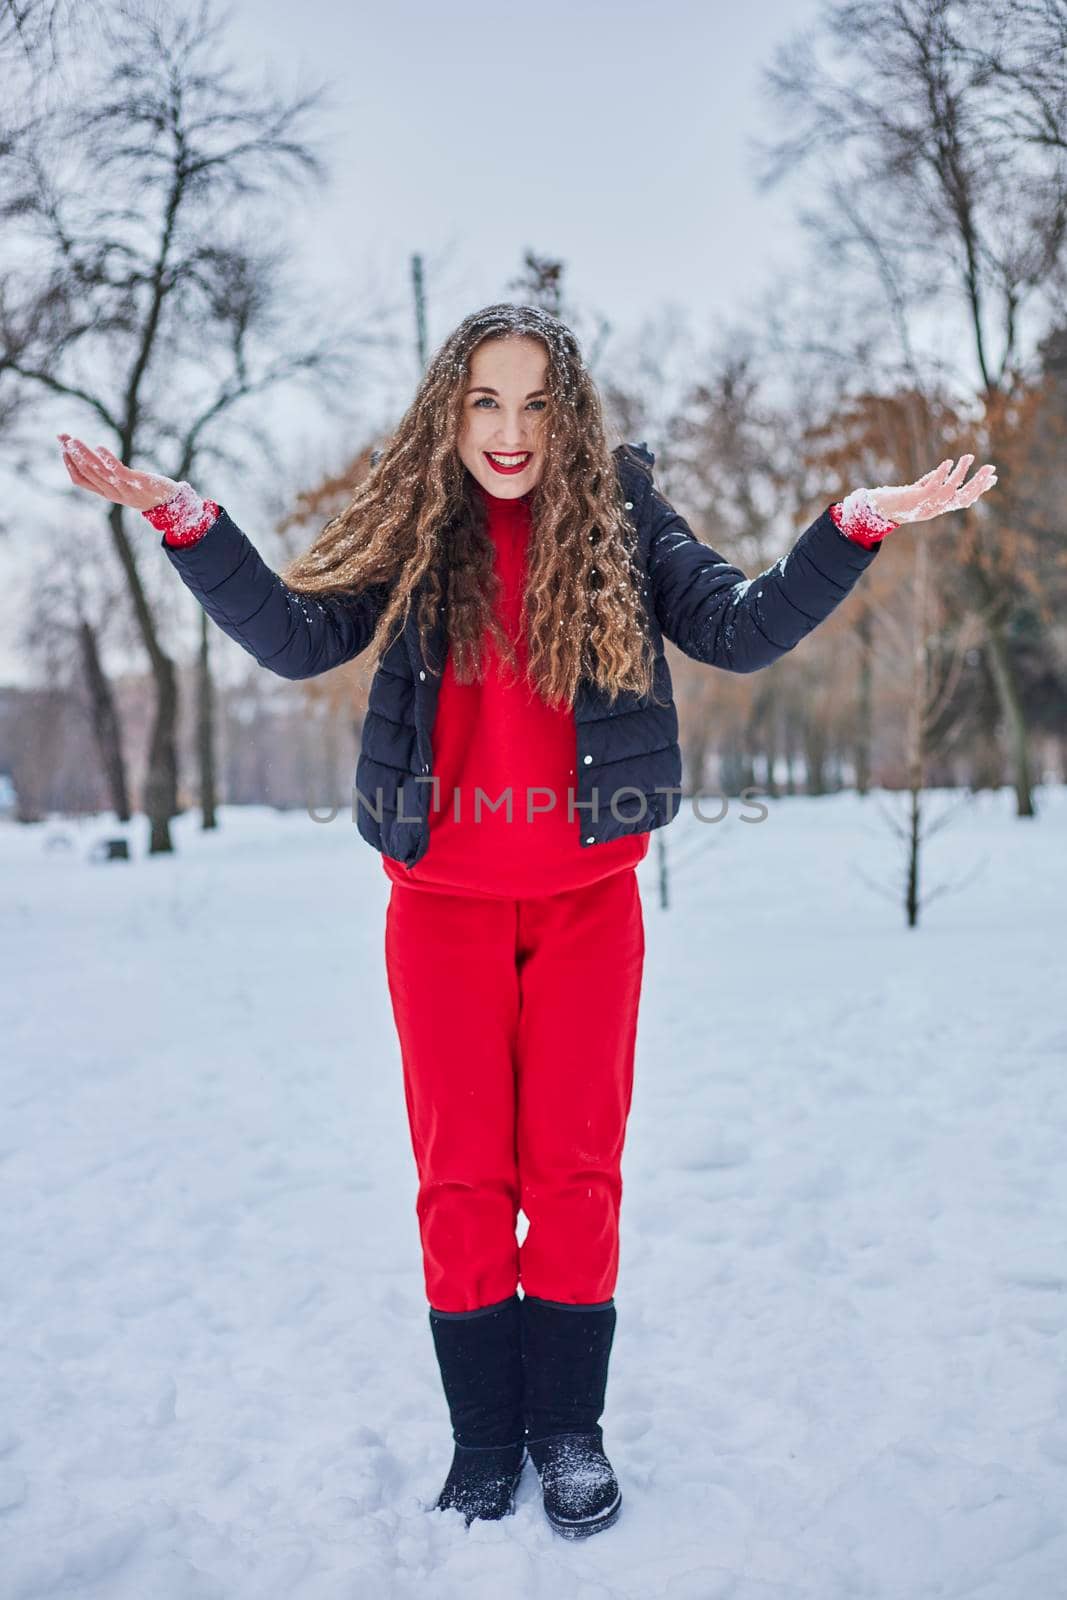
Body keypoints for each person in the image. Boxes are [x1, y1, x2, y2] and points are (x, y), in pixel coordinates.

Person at [58, 302, 995, 1539]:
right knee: (459, 1179)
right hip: (437, 910)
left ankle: (567, 1430)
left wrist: (855, 522)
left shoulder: (619, 517)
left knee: (571, 1175)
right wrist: (189, 519)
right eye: (485, 401)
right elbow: (294, 635)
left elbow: (736, 624)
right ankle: (483, 1436)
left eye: (537, 403)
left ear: (574, 414)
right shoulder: (420, 524)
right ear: (451, 409)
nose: (510, 431)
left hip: (586, 907)